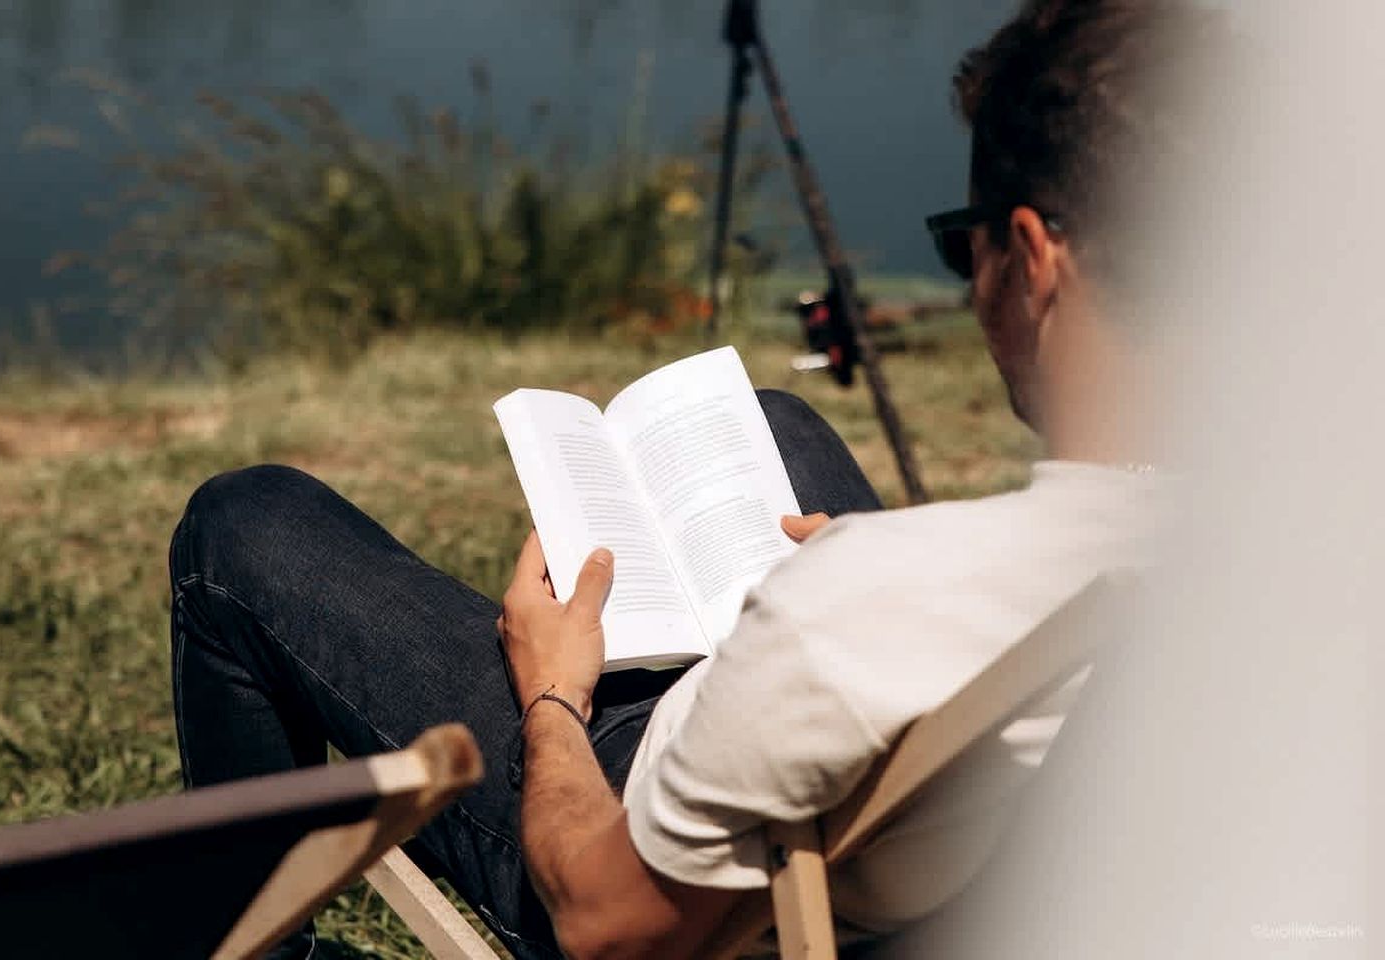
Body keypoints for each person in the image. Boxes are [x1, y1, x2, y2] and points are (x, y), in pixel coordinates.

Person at [169, 1, 1203, 956]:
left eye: (960, 248)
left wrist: (554, 694)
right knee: (775, 422)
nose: (971, 286)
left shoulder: (866, 601)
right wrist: (876, 575)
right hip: (911, 833)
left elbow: (603, 925)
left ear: (1031, 259)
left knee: (243, 528)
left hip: (673, 860)